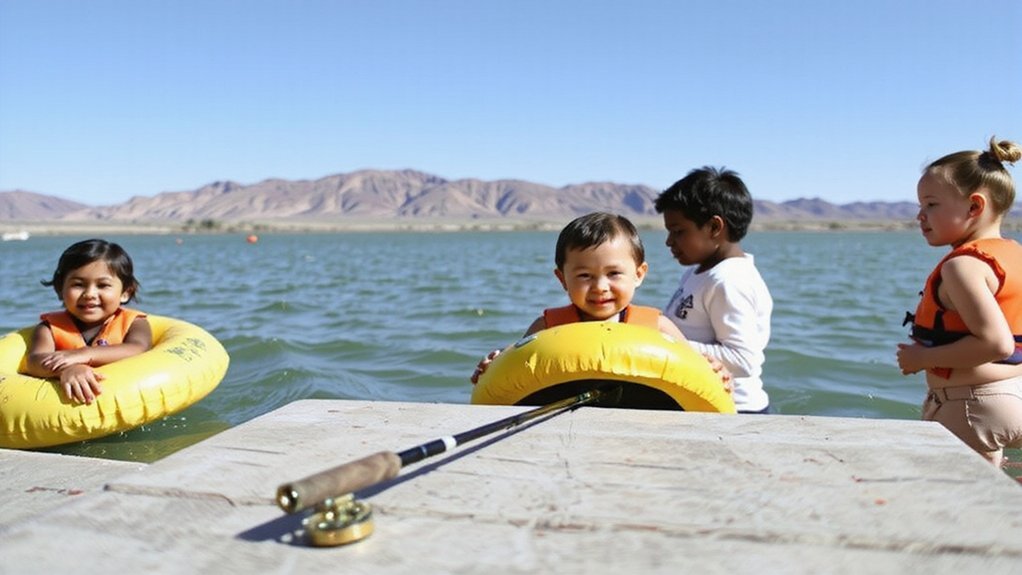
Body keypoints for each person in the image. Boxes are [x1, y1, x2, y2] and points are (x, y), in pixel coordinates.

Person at [471, 211, 730, 392]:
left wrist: (714, 371)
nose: (600, 287)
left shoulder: (659, 328)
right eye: (584, 276)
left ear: (638, 275)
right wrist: (492, 365)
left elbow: (694, 373)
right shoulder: (546, 328)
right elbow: (513, 367)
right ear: (562, 279)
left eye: (614, 274)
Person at [897, 137, 1022, 466]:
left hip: (972, 406)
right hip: (1015, 395)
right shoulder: (1016, 255)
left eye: (931, 205)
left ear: (974, 207)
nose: (919, 216)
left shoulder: (962, 266)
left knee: (951, 503)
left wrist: (923, 357)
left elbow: (997, 344)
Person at [654, 167, 773, 414]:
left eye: (678, 231)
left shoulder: (730, 280)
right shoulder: (699, 273)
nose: (669, 241)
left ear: (714, 227)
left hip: (734, 411)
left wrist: (665, 342)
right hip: (702, 404)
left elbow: (743, 360)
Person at [23, 239, 151, 405]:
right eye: (78, 284)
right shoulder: (49, 328)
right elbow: (33, 361)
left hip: (125, 400)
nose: (90, 294)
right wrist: (66, 369)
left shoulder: (134, 323)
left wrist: (84, 355)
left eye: (103, 285)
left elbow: (138, 348)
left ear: (126, 292)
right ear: (60, 289)